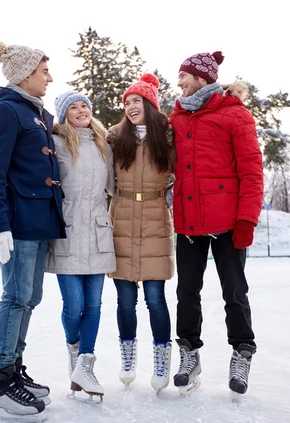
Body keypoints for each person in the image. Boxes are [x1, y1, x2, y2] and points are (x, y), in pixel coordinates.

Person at [169, 51, 263, 396]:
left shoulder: (235, 116)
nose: (179, 83)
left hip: (228, 221)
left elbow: (252, 171)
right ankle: (189, 354)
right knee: (186, 292)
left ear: (202, 78)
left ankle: (242, 352)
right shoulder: (177, 118)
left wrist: (246, 219)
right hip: (189, 220)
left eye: (184, 76)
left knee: (234, 291)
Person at [0, 40, 65, 417]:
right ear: (25, 75)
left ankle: (14, 369)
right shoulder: (7, 112)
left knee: (30, 298)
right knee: (14, 297)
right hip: (16, 223)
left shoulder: (37, 115)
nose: (49, 77)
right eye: (44, 71)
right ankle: (1, 382)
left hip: (39, 222)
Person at [44, 91, 116, 403]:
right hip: (69, 231)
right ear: (63, 115)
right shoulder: (56, 143)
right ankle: (74, 350)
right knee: (73, 305)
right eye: (73, 107)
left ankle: (86, 363)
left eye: (84, 105)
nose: (80, 110)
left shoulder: (105, 145)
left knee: (95, 304)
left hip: (99, 230)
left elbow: (116, 185)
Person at [107, 73, 175, 394]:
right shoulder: (115, 137)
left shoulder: (169, 138)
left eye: (137, 100)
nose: (132, 106)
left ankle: (162, 358)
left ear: (150, 103)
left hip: (155, 221)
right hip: (120, 220)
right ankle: (128, 356)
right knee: (124, 301)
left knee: (155, 299)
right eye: (128, 102)